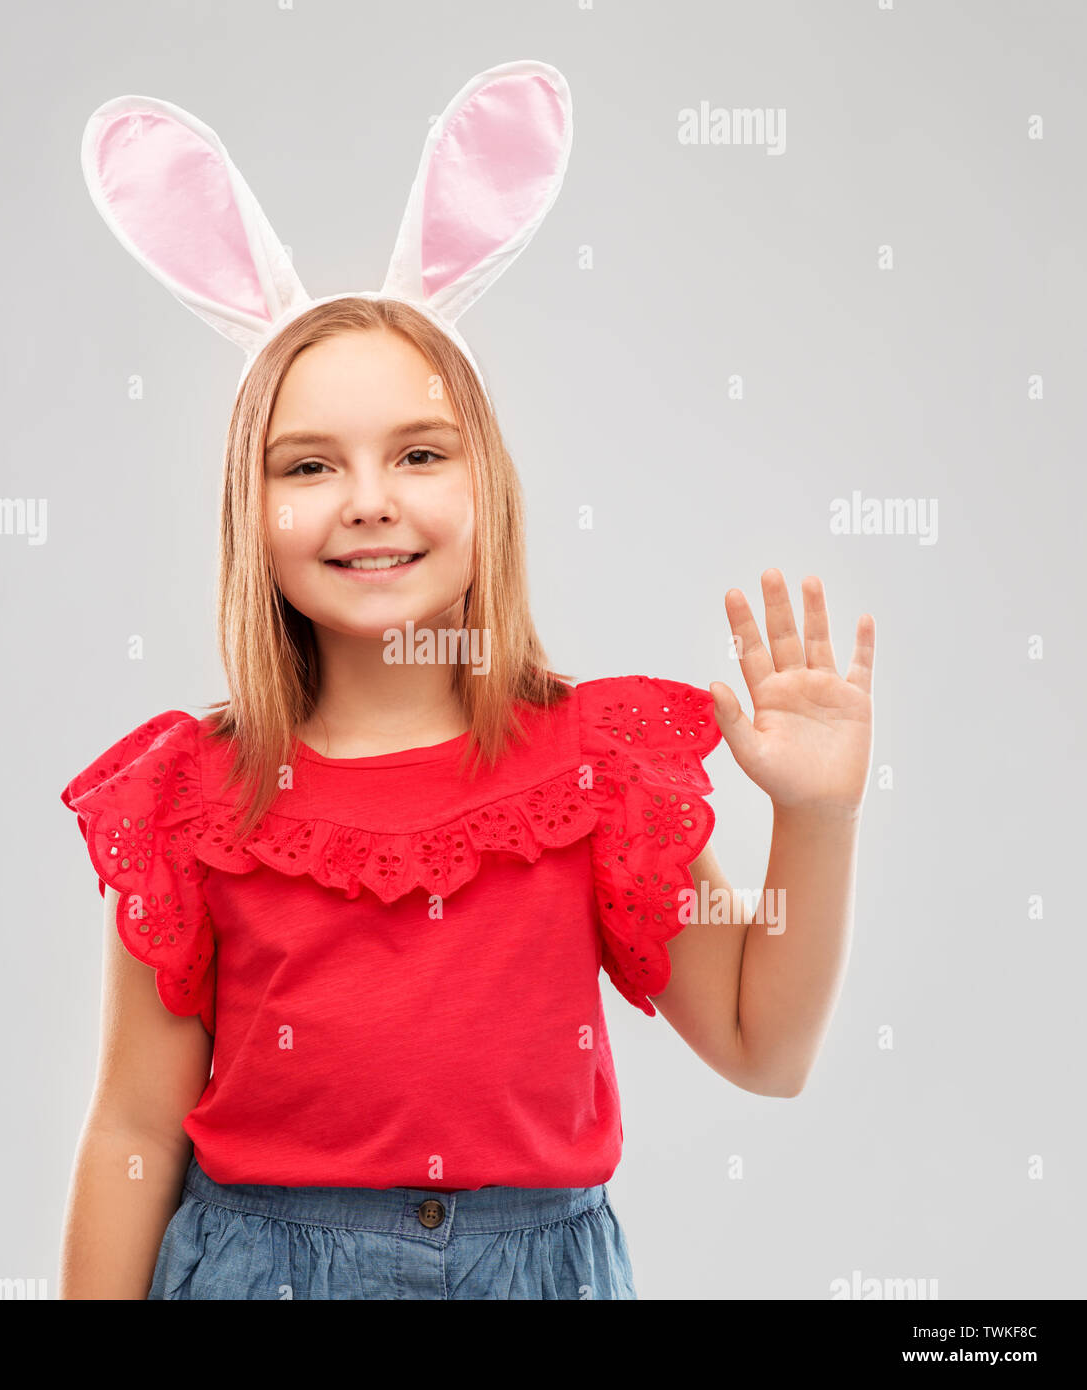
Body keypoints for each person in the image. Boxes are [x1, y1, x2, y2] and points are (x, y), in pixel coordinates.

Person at [56, 64, 874, 1301]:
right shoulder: (193, 799)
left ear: (487, 489)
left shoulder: (592, 772)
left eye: (419, 452)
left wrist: (815, 819)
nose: (369, 498)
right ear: (249, 512)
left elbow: (766, 1046)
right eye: (308, 465)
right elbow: (130, 1130)